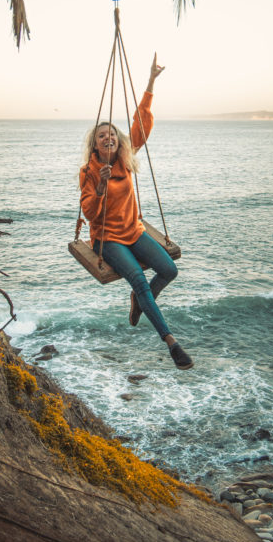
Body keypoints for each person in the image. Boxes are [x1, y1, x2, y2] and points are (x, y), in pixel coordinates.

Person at [79, 55, 193, 370]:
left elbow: (140, 124)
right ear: (96, 145)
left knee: (169, 270)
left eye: (112, 135)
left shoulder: (125, 160)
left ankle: (138, 302)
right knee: (140, 281)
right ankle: (172, 343)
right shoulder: (89, 171)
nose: (109, 138)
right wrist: (100, 187)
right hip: (107, 239)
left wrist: (151, 82)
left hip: (133, 231)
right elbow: (89, 212)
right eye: (102, 136)